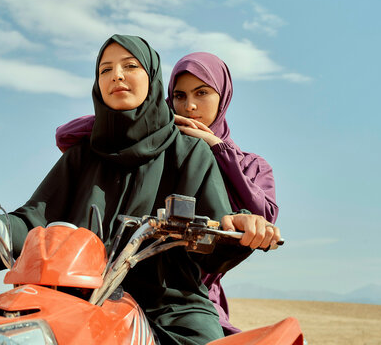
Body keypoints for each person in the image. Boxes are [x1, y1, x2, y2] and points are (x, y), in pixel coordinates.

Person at [0, 35, 281, 345]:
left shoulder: (190, 153)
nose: (116, 76)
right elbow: (31, 221)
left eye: (129, 66)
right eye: (105, 69)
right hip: (73, 297)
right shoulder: (81, 155)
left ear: (152, 79)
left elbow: (217, 230)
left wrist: (240, 227)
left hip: (166, 302)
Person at [55, 52, 279, 335]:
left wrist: (217, 148)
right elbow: (65, 135)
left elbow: (262, 217)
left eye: (202, 93)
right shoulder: (166, 151)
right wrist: (151, 119)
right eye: (180, 96)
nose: (190, 106)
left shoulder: (251, 165)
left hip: (192, 292)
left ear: (223, 97)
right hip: (123, 280)